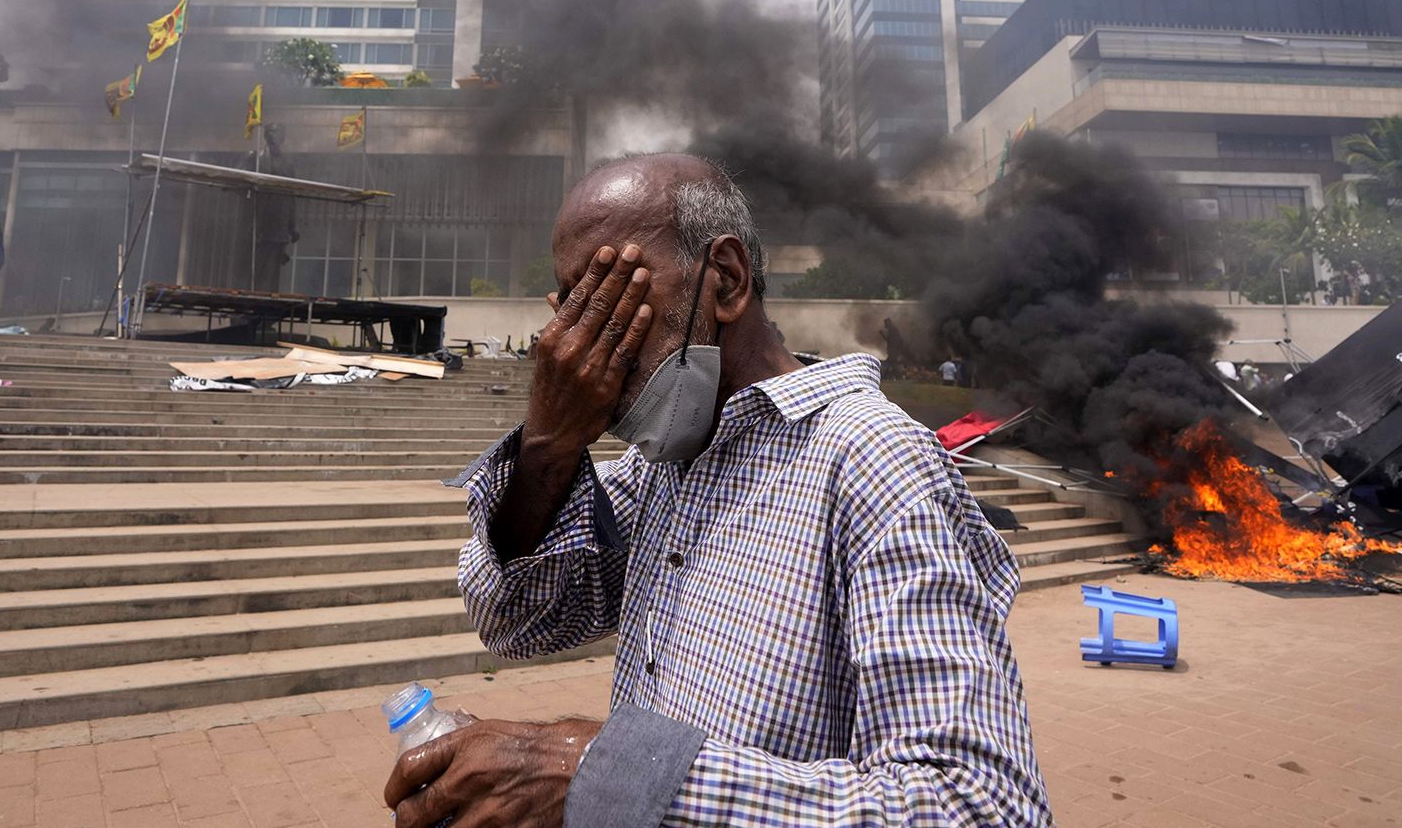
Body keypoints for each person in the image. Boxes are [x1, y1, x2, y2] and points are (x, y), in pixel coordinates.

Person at [386, 154, 1052, 828]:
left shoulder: (870, 462)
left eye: (602, 300)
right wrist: (547, 444)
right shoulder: (664, 465)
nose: (568, 347)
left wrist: (610, 774)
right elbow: (517, 620)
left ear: (726, 281)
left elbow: (982, 806)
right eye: (567, 312)